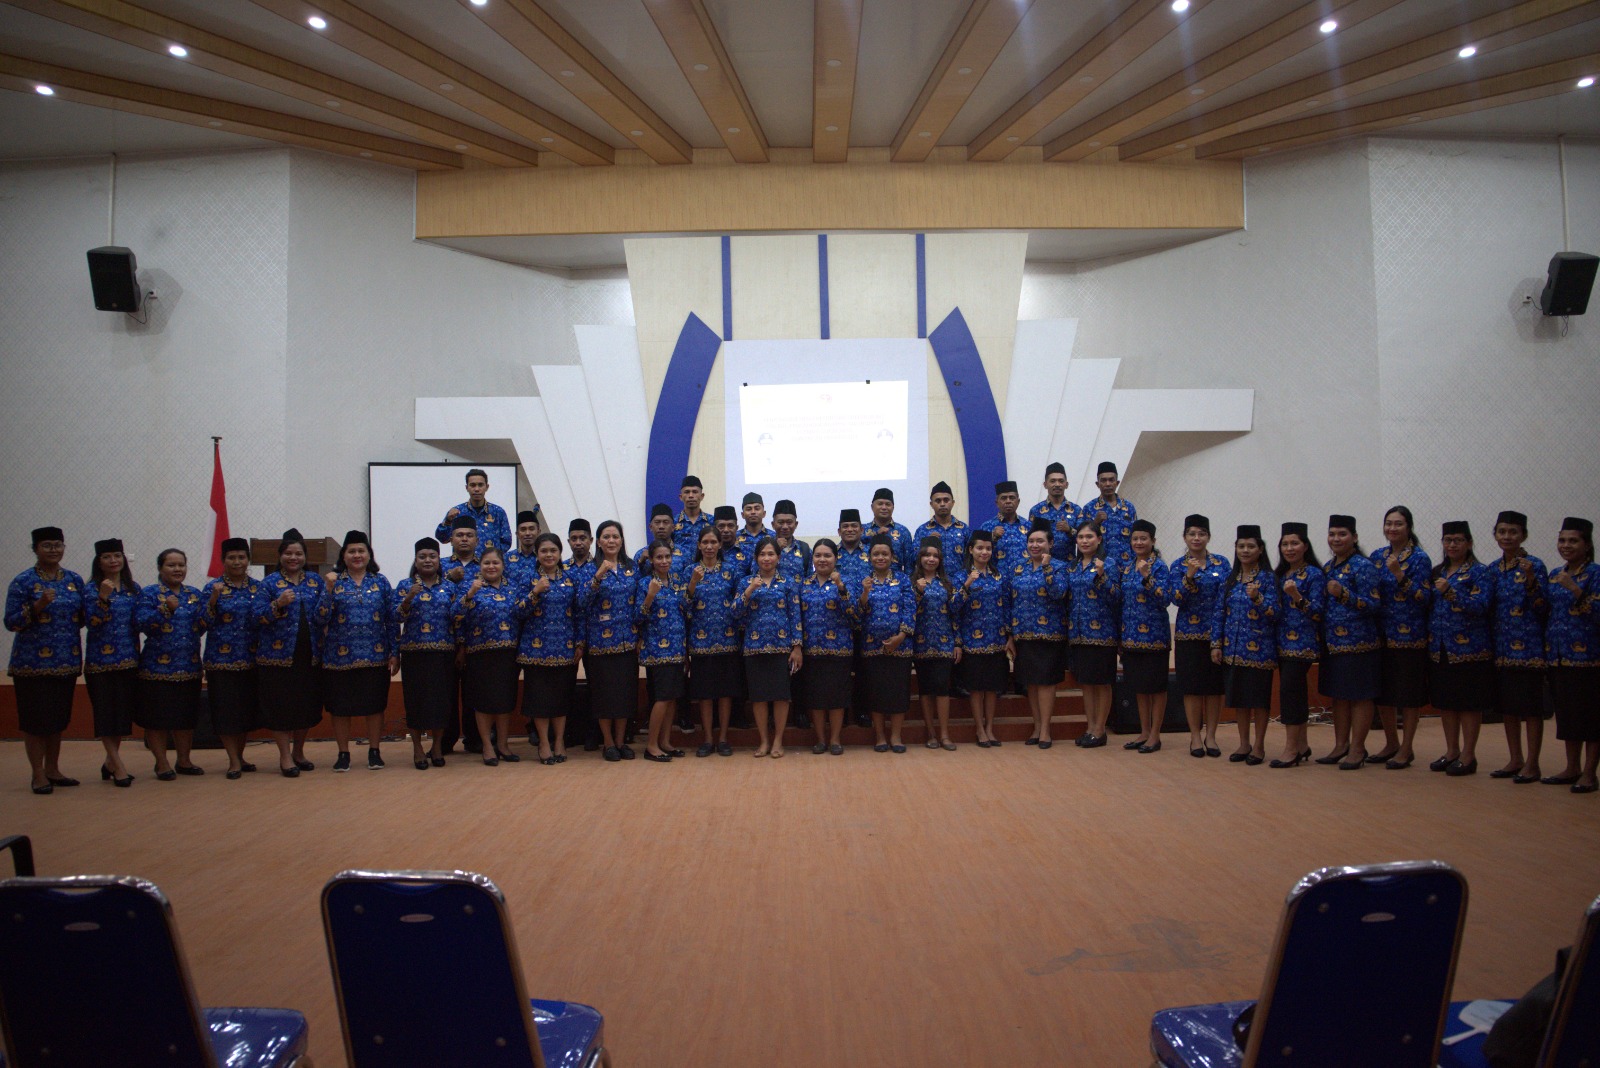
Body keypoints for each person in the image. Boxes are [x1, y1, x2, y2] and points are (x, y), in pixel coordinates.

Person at [7, 526, 85, 794]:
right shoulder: (23, 581)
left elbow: (82, 618)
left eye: (57, 545)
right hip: (32, 665)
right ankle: (37, 774)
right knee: (35, 722)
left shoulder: (73, 580)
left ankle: (53, 769)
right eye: (47, 545)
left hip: (66, 662)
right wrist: (37, 606)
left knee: (57, 721)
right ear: (35, 549)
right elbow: (11, 622)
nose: (53, 550)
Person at [320, 530, 397, 772]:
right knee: (340, 708)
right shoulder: (333, 582)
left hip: (375, 655)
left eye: (361, 550)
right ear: (343, 555)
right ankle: (343, 753)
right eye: (351, 551)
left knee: (374, 706)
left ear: (369, 554)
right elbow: (319, 618)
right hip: (339, 658)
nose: (356, 555)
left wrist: (395, 652)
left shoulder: (380, 582)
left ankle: (374, 752)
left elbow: (391, 620)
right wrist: (328, 589)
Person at [254, 529, 327, 776]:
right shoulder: (269, 583)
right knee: (281, 707)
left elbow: (323, 614)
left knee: (305, 706)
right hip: (277, 658)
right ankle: (285, 756)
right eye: (288, 553)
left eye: (298, 553)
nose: (293, 557)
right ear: (280, 556)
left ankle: (299, 752)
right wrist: (278, 604)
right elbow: (257, 617)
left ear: (305, 556)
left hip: (309, 655)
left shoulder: (315, 582)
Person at [1427, 521, 1495, 776]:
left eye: (1458, 540)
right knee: (1446, 702)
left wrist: (1452, 592)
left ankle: (1468, 755)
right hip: (1440, 646)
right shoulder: (1437, 572)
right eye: (1448, 540)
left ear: (1469, 543)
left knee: (1468, 703)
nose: (1452, 545)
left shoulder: (1480, 572)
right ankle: (1451, 751)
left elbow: (1481, 606)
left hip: (1470, 649)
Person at [134, 548, 208, 780]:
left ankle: (184, 760)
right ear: (160, 568)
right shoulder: (149, 593)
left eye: (181, 565)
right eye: (171, 565)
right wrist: (165, 609)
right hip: (157, 668)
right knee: (157, 719)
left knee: (185, 718)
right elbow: (141, 623)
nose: (177, 569)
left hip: (189, 666)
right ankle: (162, 763)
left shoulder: (194, 594)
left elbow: (202, 626)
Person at [1488, 511, 1549, 783]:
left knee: (1531, 709)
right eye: (1502, 531)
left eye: (1513, 532)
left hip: (1529, 649)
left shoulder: (1535, 565)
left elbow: (1543, 606)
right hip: (1501, 649)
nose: (1507, 537)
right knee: (1508, 708)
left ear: (1523, 535)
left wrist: (1531, 580)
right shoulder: (1493, 569)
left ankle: (1533, 763)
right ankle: (1515, 759)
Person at [1318, 514, 1383, 769]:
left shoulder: (1364, 566)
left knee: (1360, 697)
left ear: (1354, 537)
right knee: (1339, 696)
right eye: (1332, 534)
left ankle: (1357, 748)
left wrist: (1344, 594)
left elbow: (1374, 604)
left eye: (1342, 534)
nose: (1336, 539)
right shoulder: (1327, 567)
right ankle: (1340, 745)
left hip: (1360, 643)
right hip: (1333, 644)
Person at [1211, 525, 1280, 766]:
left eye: (1251, 546)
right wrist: (1215, 645)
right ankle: (1243, 743)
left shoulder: (1269, 579)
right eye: (1241, 546)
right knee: (1239, 700)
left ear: (1260, 549)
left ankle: (1259, 745)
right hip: (1233, 650)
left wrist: (1257, 598)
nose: (1245, 550)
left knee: (1258, 701)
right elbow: (1219, 613)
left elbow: (1275, 613)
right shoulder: (1230, 579)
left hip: (1260, 652)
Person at [1543, 517, 1599, 794]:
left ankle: (1589, 773)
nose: (1566, 545)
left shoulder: (1596, 574)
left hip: (1588, 658)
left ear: (1586, 545)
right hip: (1558, 656)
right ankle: (1571, 767)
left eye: (1573, 540)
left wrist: (1575, 589)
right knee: (1567, 715)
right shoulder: (1555, 573)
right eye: (1562, 540)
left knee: (1590, 716)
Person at [1371, 505, 1430, 768]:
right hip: (1381, 634)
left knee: (1407, 694)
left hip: (1409, 636)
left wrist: (1399, 574)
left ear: (1409, 527)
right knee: (1384, 693)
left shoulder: (1419, 558)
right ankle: (1391, 743)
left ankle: (1407, 748)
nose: (1392, 528)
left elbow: (1424, 597)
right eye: (1388, 523)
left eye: (1398, 524)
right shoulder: (1377, 556)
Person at [517, 532, 583, 765]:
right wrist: (535, 592)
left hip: (565, 648)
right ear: (537, 553)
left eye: (553, 550)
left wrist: (580, 642)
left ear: (560, 553)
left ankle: (559, 742)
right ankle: (544, 743)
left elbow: (578, 613)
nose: (548, 555)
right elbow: (518, 611)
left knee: (561, 698)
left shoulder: (570, 579)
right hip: (536, 650)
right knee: (540, 700)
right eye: (543, 551)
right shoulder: (527, 578)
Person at [453, 546, 522, 765]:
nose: (491, 567)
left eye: (495, 563)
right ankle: (487, 745)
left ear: (503, 566)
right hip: (479, 654)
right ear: (480, 566)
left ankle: (503, 744)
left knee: (504, 701)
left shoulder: (513, 588)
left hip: (508, 653)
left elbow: (523, 615)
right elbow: (455, 615)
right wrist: (470, 593)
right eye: (486, 563)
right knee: (483, 701)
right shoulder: (470, 586)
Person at [735, 536, 803, 757]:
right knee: (759, 697)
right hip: (754, 647)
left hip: (781, 648)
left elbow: (795, 616)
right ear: (756, 558)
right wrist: (749, 591)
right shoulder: (746, 582)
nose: (767, 558)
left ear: (778, 557)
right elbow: (735, 613)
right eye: (762, 554)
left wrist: (797, 647)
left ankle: (778, 741)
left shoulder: (788, 583)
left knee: (781, 696)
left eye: (771, 554)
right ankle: (764, 741)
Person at [393, 537, 457, 769]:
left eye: (432, 556)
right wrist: (409, 597)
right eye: (422, 557)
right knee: (416, 702)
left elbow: (458, 619)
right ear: (416, 560)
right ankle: (418, 748)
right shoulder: (404, 585)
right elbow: (395, 617)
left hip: (443, 654)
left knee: (441, 702)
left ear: (439, 560)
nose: (427, 560)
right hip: (414, 654)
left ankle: (437, 746)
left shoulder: (450, 587)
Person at [1170, 514, 1230, 757]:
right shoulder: (1178, 565)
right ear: (1185, 537)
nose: (1197, 538)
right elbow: (1175, 599)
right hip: (1188, 635)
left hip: (1217, 636)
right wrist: (1189, 577)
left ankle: (1211, 736)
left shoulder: (1222, 563)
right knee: (1192, 688)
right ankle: (1195, 736)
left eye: (1201, 534)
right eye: (1192, 534)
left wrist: (1219, 638)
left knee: (1215, 689)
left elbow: (1226, 599)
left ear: (1208, 537)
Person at [201, 537, 262, 779]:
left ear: (248, 560)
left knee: (245, 711)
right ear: (223, 560)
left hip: (251, 659)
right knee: (225, 711)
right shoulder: (212, 588)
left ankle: (241, 755)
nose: (237, 562)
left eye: (241, 557)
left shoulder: (258, 588)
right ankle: (233, 760)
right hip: (221, 661)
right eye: (231, 557)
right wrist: (213, 600)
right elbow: (201, 623)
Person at [1008, 519, 1070, 747]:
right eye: (1031, 541)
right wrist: (1010, 634)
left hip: (1049, 634)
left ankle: (1045, 729)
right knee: (1031, 684)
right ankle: (1036, 726)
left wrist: (1046, 568)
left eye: (1040, 541)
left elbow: (1058, 593)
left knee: (1045, 683)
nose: (1035, 545)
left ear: (1050, 543)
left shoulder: (1060, 567)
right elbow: (1011, 601)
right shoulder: (1018, 568)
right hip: (1023, 634)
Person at [83, 538, 140, 787]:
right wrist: (103, 598)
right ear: (99, 562)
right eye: (107, 557)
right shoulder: (90, 589)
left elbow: (139, 622)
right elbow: (91, 622)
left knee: (121, 717)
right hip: (100, 663)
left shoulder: (132, 588)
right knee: (106, 715)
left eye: (117, 555)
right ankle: (118, 766)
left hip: (129, 661)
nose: (113, 560)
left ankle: (109, 762)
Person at [583, 520, 639, 761]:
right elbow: (581, 602)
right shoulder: (589, 568)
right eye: (606, 537)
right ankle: (607, 743)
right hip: (601, 644)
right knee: (604, 696)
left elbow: (639, 601)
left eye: (615, 536)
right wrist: (597, 577)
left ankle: (621, 741)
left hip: (628, 641)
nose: (611, 541)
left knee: (624, 694)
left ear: (621, 540)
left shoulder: (631, 567)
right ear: (598, 542)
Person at [1271, 523, 1324, 768]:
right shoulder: (1280, 575)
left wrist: (1297, 597)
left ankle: (1291, 749)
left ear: (1305, 546)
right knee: (1295, 692)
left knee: (1290, 692)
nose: (1289, 548)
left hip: (1303, 644)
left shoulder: (1314, 574)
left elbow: (1318, 612)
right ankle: (1302, 745)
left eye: (1294, 543)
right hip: (1281, 643)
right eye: (1285, 544)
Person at [686, 524, 742, 756]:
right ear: (699, 545)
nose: (709, 546)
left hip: (728, 640)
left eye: (713, 542)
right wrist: (693, 582)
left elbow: (739, 605)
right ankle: (708, 739)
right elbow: (683, 607)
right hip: (700, 643)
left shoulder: (731, 571)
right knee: (705, 694)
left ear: (720, 545)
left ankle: (723, 738)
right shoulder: (689, 570)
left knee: (725, 693)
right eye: (705, 542)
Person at [858, 535, 916, 751]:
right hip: (872, 646)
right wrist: (865, 592)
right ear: (870, 557)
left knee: (898, 693)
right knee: (876, 693)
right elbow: (857, 613)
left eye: (885, 554)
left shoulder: (903, 580)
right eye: (876, 554)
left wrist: (900, 637)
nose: (880, 557)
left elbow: (910, 609)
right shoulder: (863, 580)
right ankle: (880, 736)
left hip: (900, 647)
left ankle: (896, 737)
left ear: (892, 556)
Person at [798, 539, 856, 754]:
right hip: (811, 650)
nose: (822, 559)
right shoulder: (804, 584)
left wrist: (841, 588)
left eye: (827, 555)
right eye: (818, 555)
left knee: (836, 697)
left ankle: (835, 740)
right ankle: (821, 740)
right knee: (816, 698)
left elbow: (855, 614)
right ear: (812, 559)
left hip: (839, 649)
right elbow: (797, 617)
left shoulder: (847, 582)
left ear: (835, 558)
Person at [1117, 519, 1171, 753]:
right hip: (1131, 637)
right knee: (1139, 687)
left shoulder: (1159, 567)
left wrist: (1148, 577)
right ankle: (1144, 731)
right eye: (1135, 539)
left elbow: (1165, 599)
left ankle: (1155, 735)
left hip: (1155, 637)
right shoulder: (1128, 567)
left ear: (1153, 541)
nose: (1139, 542)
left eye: (1143, 539)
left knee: (1156, 687)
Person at [1065, 521, 1120, 748]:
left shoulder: (1109, 563)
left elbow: (1116, 596)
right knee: (1086, 683)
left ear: (1099, 539)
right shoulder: (1073, 566)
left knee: (1102, 683)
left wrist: (1102, 575)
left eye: (1089, 537)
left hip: (1103, 634)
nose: (1085, 541)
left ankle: (1100, 729)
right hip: (1078, 633)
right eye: (1081, 537)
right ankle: (1090, 728)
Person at [637, 540, 690, 761]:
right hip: (657, 651)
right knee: (662, 698)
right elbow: (638, 617)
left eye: (667, 557)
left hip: (677, 648)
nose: (664, 561)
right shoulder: (644, 583)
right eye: (659, 557)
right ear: (651, 560)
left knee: (672, 698)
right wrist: (650, 595)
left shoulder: (677, 582)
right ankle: (651, 745)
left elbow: (685, 611)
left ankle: (665, 742)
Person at [956, 530, 1010, 747]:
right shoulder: (961, 576)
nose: (984, 552)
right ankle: (979, 729)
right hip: (972, 641)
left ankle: (990, 728)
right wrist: (968, 584)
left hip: (997, 640)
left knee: (992, 688)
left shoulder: (999, 576)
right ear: (971, 550)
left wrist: (1009, 636)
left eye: (988, 548)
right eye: (980, 548)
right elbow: (953, 608)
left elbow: (1007, 606)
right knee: (976, 688)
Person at [911, 536, 961, 751]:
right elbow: (907, 612)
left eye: (935, 556)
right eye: (927, 555)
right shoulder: (910, 582)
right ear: (920, 558)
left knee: (942, 688)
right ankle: (930, 733)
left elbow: (955, 614)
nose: (931, 559)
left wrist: (957, 643)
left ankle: (945, 734)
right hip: (920, 643)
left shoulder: (947, 584)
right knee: (925, 689)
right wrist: (918, 592)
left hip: (944, 643)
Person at [434, 467, 511, 555]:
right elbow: (442, 539)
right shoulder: (456, 512)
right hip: (463, 563)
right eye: (473, 485)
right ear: (467, 488)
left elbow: (506, 542)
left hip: (489, 563)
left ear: (487, 487)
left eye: (480, 485)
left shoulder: (498, 512)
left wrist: (492, 557)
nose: (477, 489)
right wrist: (448, 521)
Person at [1084, 462, 1137, 568]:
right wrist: (1095, 523)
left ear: (1117, 483)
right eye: (1103, 480)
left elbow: (1135, 537)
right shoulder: (1089, 508)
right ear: (1097, 484)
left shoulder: (1129, 507)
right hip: (1099, 567)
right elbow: (1083, 540)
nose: (1108, 484)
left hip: (1126, 566)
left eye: (1111, 480)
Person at [1029, 462, 1081, 563]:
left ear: (1066, 485)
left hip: (1069, 565)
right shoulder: (1036, 511)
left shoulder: (1076, 510)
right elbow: (1031, 541)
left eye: (1061, 481)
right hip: (1044, 565)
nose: (1057, 484)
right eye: (1053, 481)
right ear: (1045, 485)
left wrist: (1069, 530)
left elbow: (1084, 540)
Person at [914, 481, 969, 574]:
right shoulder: (923, 530)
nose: (942, 504)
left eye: (946, 500)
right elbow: (913, 559)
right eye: (938, 501)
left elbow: (971, 558)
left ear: (953, 503)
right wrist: (927, 543)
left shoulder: (964, 529)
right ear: (931, 504)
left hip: (960, 580)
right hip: (933, 581)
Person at [984, 481, 1029, 572]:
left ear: (1018, 501)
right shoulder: (987, 527)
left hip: (1024, 578)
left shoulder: (1028, 526)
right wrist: (992, 537)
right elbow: (977, 555)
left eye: (1012, 498)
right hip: (997, 578)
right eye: (1004, 498)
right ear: (997, 502)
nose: (1008, 501)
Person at [865, 488, 913, 573]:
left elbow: (909, 565)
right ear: (872, 507)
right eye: (880, 504)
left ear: (893, 508)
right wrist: (874, 535)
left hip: (897, 580)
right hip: (867, 579)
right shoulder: (862, 530)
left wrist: (907, 581)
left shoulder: (903, 531)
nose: (884, 507)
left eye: (888, 504)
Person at [634, 504, 688, 576]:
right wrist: (641, 562)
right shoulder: (640, 554)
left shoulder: (685, 553)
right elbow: (634, 579)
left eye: (665, 522)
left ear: (673, 527)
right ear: (650, 527)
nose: (661, 526)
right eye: (657, 522)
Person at [771, 499, 812, 580]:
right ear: (773, 524)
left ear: (796, 524)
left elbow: (810, 579)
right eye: (780, 522)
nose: (785, 527)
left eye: (789, 522)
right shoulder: (763, 548)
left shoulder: (805, 549)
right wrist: (774, 549)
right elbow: (755, 574)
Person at [673, 475, 712, 556]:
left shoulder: (712, 521)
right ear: (681, 497)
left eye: (695, 492)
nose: (691, 495)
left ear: (702, 496)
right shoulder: (673, 523)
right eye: (687, 492)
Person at [504, 509, 543, 588]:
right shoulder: (505, 559)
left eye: (531, 529)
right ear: (517, 534)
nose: (527, 533)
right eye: (523, 529)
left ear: (539, 532)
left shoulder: (546, 558)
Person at [835, 508, 872, 585]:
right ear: (839, 531)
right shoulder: (831, 553)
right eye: (845, 526)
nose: (850, 529)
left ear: (861, 530)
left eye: (854, 526)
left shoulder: (872, 552)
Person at [443, 515, 482, 584]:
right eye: (459, 535)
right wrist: (450, 577)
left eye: (469, 536)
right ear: (451, 541)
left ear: (477, 541)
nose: (464, 539)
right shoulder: (440, 565)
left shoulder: (486, 566)